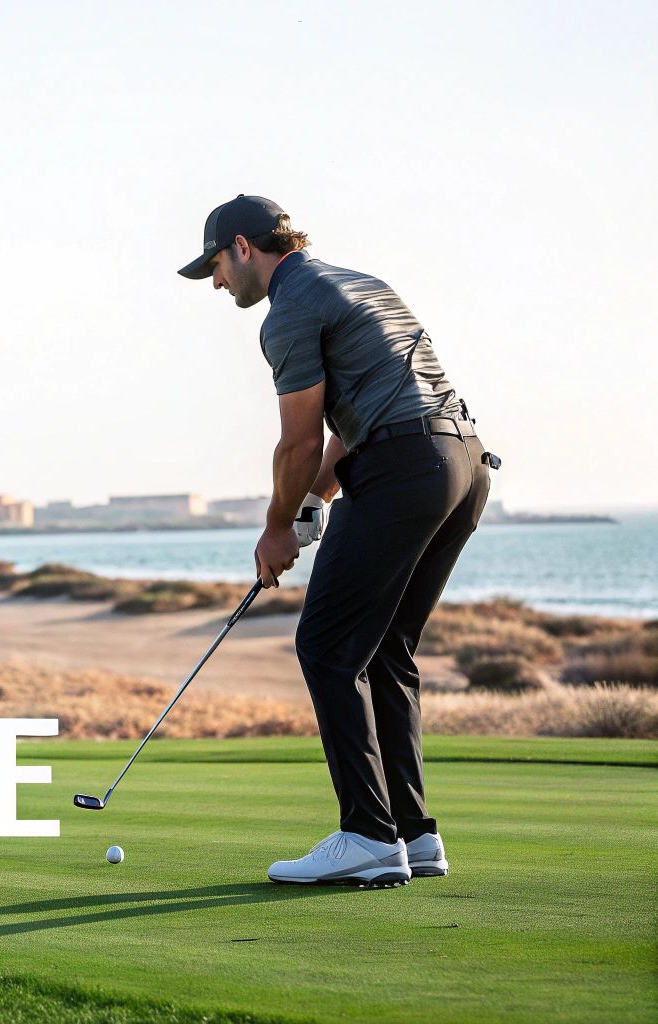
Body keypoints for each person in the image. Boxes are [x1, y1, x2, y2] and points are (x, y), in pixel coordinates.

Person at [179, 195, 495, 886]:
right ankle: (413, 834)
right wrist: (317, 501)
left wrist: (273, 529)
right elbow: (360, 415)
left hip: (404, 469)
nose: (216, 284)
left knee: (325, 646)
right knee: (384, 649)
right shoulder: (361, 283)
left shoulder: (289, 308)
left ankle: (368, 836)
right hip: (463, 466)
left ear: (241, 246)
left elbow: (298, 440)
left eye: (215, 267)